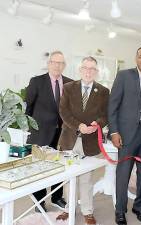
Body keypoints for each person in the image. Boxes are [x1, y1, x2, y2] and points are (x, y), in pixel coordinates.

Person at [108, 46, 141, 225]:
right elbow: (112, 105)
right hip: (127, 133)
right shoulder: (124, 76)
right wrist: (114, 131)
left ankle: (139, 207)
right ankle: (120, 211)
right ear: (136, 58)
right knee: (123, 173)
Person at [58, 56, 109, 225]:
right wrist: (79, 126)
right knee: (68, 178)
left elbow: (105, 115)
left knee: (86, 179)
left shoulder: (103, 91)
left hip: (90, 141)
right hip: (69, 139)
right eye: (85, 68)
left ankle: (87, 211)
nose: (88, 71)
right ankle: (68, 209)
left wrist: (97, 124)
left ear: (96, 72)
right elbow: (63, 112)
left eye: (92, 69)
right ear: (80, 70)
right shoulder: (68, 87)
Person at [25, 50, 72, 212]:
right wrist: (32, 128)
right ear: (49, 63)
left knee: (59, 166)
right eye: (54, 62)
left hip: (63, 135)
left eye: (61, 63)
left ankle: (57, 197)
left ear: (64, 66)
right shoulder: (37, 82)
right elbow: (28, 107)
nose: (57, 66)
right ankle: (39, 202)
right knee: (40, 168)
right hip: (40, 133)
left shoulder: (70, 83)